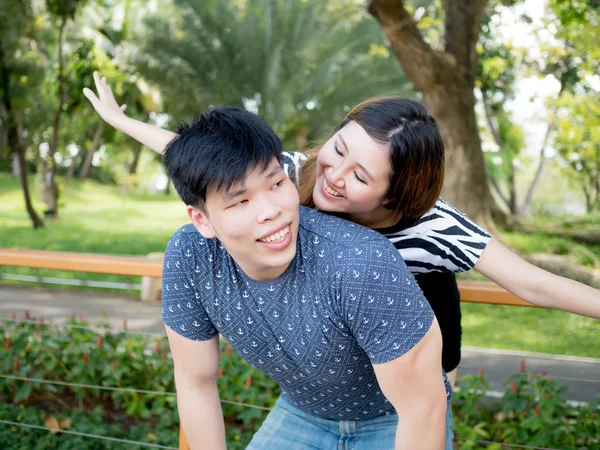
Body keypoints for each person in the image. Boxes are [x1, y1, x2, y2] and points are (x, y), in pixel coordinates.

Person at [83, 74, 600, 387]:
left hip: (422, 307)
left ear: (396, 193)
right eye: (339, 150)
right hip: (340, 319)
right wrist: (117, 120)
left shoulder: (437, 226)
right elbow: (197, 157)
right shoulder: (292, 174)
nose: (333, 175)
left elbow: (532, 283)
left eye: (360, 176)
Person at [160, 106, 453, 449]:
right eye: (240, 201)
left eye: (276, 183)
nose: (272, 212)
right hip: (303, 413)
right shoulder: (191, 257)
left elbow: (423, 409)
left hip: (396, 418)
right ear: (202, 220)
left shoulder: (360, 263)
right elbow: (196, 383)